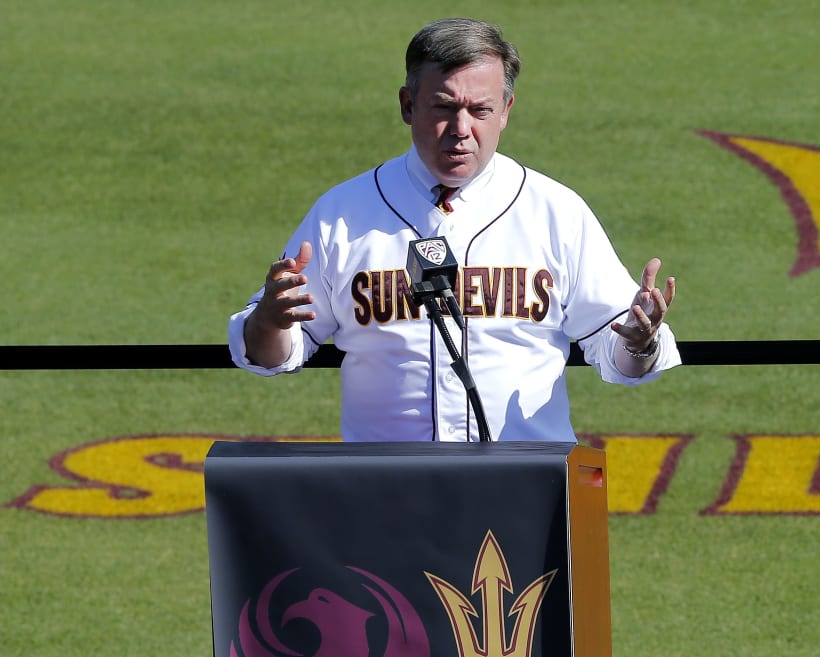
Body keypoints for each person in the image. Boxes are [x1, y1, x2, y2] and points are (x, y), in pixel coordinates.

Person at [227, 17, 679, 442]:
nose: (461, 130)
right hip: (384, 490)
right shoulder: (342, 214)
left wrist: (641, 343)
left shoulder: (555, 211)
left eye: (480, 111)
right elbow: (273, 356)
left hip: (523, 484)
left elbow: (617, 354)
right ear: (408, 105)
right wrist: (267, 321)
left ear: (505, 110)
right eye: (443, 107)